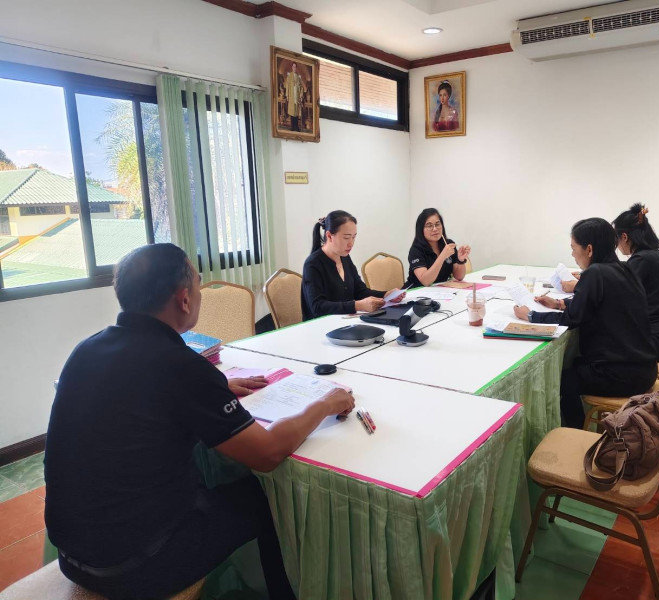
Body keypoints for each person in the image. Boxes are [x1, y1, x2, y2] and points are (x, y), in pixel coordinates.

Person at [45, 243, 355, 600]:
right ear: (184, 299)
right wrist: (324, 403)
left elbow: (137, 397)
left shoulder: (87, 349)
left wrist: (214, 390)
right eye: (197, 284)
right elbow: (268, 453)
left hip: (73, 556)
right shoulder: (179, 365)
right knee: (264, 497)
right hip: (135, 566)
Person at [513, 218, 657, 428]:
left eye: (574, 248)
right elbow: (596, 304)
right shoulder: (624, 270)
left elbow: (571, 319)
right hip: (644, 368)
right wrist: (560, 303)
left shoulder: (595, 273)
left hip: (622, 375)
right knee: (576, 365)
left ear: (589, 249)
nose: (572, 254)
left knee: (561, 381)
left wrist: (531, 316)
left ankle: (577, 432)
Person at [612, 203, 659, 362]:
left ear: (624, 237)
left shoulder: (642, 259)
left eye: (616, 239)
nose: (617, 245)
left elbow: (617, 292)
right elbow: (624, 274)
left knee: (602, 344)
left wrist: (581, 285)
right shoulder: (653, 254)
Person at [301, 210, 405, 320]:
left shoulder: (344, 257)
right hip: (321, 326)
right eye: (346, 237)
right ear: (329, 236)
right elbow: (317, 307)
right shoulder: (312, 264)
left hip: (344, 321)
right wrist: (357, 305)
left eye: (354, 237)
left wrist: (386, 295)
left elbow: (360, 291)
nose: (351, 243)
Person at [405, 208, 471, 288]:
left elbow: (459, 277)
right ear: (421, 229)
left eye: (437, 224)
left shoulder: (448, 244)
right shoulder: (416, 250)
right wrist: (442, 256)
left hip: (440, 290)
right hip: (416, 291)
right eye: (429, 226)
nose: (435, 229)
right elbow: (425, 281)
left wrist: (460, 260)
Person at [285, 62, 304, 132]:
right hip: (291, 96)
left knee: (296, 112)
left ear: (296, 68)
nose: (294, 68)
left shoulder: (298, 77)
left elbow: (301, 87)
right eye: (293, 67)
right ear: (292, 67)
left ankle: (297, 127)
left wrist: (301, 95)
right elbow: (287, 86)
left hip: (297, 97)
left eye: (295, 67)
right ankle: (292, 127)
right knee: (292, 112)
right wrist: (287, 95)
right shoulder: (289, 76)